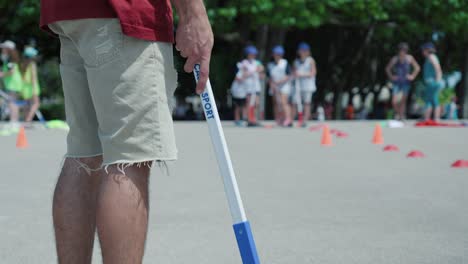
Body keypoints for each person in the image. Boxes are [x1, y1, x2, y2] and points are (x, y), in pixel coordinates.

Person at [40, 0, 213, 263]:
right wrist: (193, 13)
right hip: (124, 12)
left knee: (84, 155)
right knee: (129, 158)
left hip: (67, 12)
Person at [385, 42, 420, 120]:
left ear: (406, 51)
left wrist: (412, 76)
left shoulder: (409, 58)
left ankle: (401, 116)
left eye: (404, 50)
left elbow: (417, 68)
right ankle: (398, 113)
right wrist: (391, 76)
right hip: (397, 82)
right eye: (401, 50)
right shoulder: (395, 59)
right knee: (394, 101)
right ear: (398, 51)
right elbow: (387, 68)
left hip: (405, 82)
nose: (402, 52)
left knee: (403, 101)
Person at [267, 45, 292, 126]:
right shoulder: (270, 64)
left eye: (279, 54)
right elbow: (269, 76)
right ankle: (278, 119)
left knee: (283, 102)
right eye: (275, 54)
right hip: (274, 86)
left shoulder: (285, 63)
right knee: (276, 103)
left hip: (283, 85)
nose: (277, 56)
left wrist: (279, 82)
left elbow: (288, 75)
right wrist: (271, 84)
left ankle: (288, 119)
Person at [293, 42, 316, 127]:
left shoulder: (310, 60)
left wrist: (302, 74)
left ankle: (305, 120)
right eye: (301, 50)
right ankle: (295, 119)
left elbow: (313, 73)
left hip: (308, 85)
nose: (303, 52)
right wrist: (296, 74)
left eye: (305, 51)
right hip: (298, 85)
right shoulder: (296, 61)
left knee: (307, 103)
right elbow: (294, 72)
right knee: (297, 102)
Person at [0, 40, 22, 128]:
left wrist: (1, 74)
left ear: (8, 49)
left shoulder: (10, 59)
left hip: (13, 84)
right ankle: (14, 121)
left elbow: (11, 71)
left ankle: (14, 121)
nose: (2, 50)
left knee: (12, 102)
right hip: (13, 84)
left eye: (3, 48)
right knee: (13, 102)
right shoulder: (10, 59)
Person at [240, 45, 264, 126]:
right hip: (248, 86)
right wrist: (254, 71)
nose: (253, 55)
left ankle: (255, 119)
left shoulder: (257, 62)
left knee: (256, 103)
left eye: (254, 54)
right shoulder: (244, 63)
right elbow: (244, 74)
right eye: (251, 54)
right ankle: (249, 119)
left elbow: (261, 70)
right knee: (249, 103)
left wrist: (258, 71)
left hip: (256, 86)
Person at [421, 42, 443, 121]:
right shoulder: (430, 57)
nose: (422, 52)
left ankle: (435, 118)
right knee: (430, 100)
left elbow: (437, 68)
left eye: (423, 50)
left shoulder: (431, 57)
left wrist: (437, 80)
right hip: (431, 82)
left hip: (433, 82)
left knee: (433, 100)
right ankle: (428, 118)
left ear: (427, 50)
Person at [20, 46, 41, 124]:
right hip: (32, 87)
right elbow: (33, 78)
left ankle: (26, 120)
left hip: (25, 87)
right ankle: (28, 120)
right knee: (36, 103)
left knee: (27, 104)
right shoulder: (32, 64)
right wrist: (35, 90)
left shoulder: (23, 64)